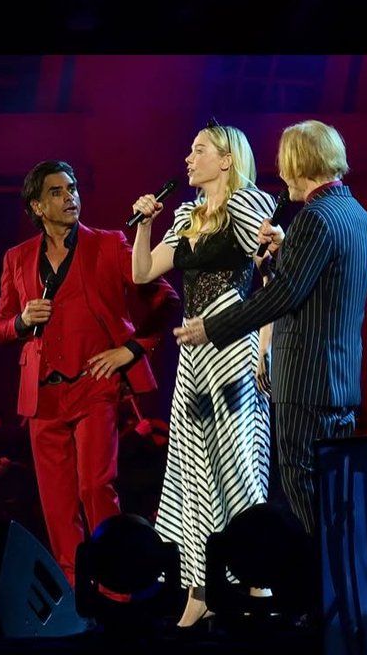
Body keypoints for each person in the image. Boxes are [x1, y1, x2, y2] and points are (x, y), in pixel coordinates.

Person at [175, 120, 367, 537]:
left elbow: (282, 297)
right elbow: (321, 284)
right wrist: (279, 255)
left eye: (284, 165)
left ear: (299, 163)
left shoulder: (314, 218)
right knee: (336, 494)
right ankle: (343, 589)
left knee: (305, 494)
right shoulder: (356, 214)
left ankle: (323, 596)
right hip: (342, 382)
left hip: (305, 381)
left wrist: (211, 327)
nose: (281, 175)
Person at [0, 160, 179, 585]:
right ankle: (76, 596)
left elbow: (166, 300)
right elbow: (1, 326)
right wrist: (21, 322)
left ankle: (115, 588)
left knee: (96, 488)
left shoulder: (109, 245)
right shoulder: (17, 259)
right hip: (43, 396)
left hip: (96, 386)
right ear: (38, 206)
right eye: (57, 192)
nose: (70, 197)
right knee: (57, 506)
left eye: (73, 188)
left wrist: (131, 350)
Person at [129, 123, 275, 627]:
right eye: (189, 148)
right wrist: (147, 223)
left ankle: (257, 577)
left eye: (199, 150)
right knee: (192, 468)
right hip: (194, 352)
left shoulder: (249, 203)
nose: (188, 158)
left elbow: (273, 276)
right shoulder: (189, 214)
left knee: (237, 462)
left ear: (227, 159)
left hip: (234, 341)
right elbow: (143, 272)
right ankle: (200, 587)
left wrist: (265, 351)